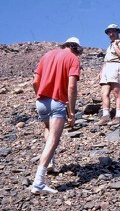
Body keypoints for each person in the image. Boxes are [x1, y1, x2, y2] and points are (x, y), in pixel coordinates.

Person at [31, 37, 83, 195]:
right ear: (76, 48)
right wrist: (71, 112)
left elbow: (34, 82)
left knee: (48, 128)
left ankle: (51, 161)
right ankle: (38, 182)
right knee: (54, 139)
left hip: (41, 101)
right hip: (57, 102)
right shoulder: (73, 59)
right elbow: (72, 87)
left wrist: (40, 96)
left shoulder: (47, 55)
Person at [96, 23, 120, 126]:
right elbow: (106, 60)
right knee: (104, 92)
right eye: (109, 32)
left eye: (112, 31)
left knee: (116, 92)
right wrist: (101, 71)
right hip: (107, 68)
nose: (110, 33)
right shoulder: (110, 45)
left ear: (117, 31)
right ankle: (106, 115)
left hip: (116, 67)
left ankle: (118, 116)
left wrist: (115, 45)